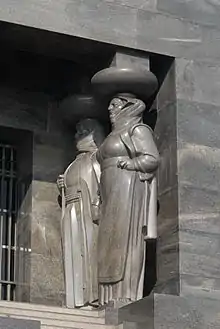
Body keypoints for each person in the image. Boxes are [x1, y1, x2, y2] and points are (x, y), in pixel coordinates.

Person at [96, 94, 160, 304]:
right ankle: (107, 297)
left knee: (127, 239)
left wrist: (133, 165)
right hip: (108, 189)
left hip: (128, 186)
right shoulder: (112, 135)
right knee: (108, 242)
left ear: (127, 106)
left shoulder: (136, 129)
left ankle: (127, 294)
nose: (110, 109)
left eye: (114, 105)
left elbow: (151, 158)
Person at [57, 118, 104, 308]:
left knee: (89, 253)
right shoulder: (75, 161)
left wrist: (97, 206)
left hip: (88, 211)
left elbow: (103, 186)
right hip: (71, 209)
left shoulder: (97, 158)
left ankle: (90, 298)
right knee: (72, 252)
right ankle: (75, 298)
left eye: (83, 132)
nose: (77, 136)